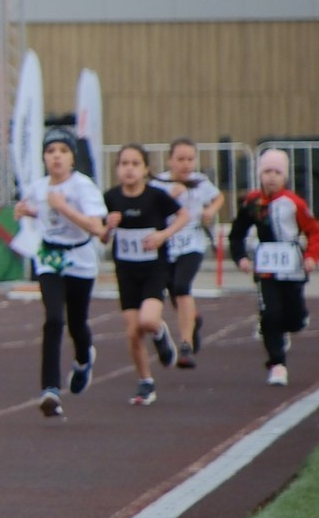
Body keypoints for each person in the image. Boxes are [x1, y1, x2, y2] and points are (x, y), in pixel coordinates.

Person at [16, 126, 108, 419]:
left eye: (63, 151)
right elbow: (40, 211)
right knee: (54, 319)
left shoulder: (83, 187)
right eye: (50, 151)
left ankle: (83, 361)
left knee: (77, 322)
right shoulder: (38, 187)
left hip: (80, 258)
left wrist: (64, 207)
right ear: (44, 158)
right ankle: (50, 390)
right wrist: (27, 212)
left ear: (72, 158)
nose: (56, 157)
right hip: (50, 257)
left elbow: (97, 228)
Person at [228, 147, 319, 388]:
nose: (271, 177)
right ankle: (277, 364)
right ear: (260, 174)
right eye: (266, 171)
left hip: (291, 267)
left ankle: (293, 324)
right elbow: (236, 234)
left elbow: (313, 231)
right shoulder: (252, 202)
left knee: (293, 318)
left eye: (276, 172)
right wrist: (241, 259)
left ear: (285, 176)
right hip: (266, 268)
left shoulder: (294, 203)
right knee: (270, 315)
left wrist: (311, 256)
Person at [103, 144, 184, 408]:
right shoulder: (111, 198)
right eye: (124, 163)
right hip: (126, 271)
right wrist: (108, 228)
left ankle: (160, 333)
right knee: (132, 331)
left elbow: (184, 215)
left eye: (135, 164)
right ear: (117, 169)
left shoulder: (156, 196)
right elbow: (103, 237)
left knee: (148, 321)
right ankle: (145, 381)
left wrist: (162, 235)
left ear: (145, 169)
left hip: (153, 268)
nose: (129, 169)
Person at [155, 139, 222, 368]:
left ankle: (185, 345)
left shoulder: (200, 182)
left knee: (183, 287)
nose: (186, 164)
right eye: (180, 159)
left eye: (190, 159)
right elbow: (153, 209)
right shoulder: (160, 184)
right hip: (167, 244)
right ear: (170, 160)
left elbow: (218, 196)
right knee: (172, 290)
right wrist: (171, 198)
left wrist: (210, 211)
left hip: (191, 243)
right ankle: (192, 320)